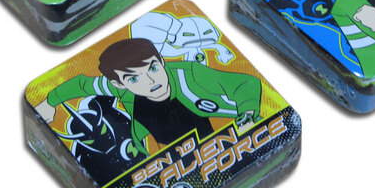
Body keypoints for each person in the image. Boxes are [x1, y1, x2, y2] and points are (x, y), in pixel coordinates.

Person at [35, 38, 262, 155]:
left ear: (161, 61)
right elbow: (81, 84)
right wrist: (48, 103)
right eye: (134, 78)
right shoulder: (120, 89)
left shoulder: (190, 75)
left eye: (153, 68)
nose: (152, 81)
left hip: (226, 142)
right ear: (119, 83)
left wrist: (248, 113)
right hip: (170, 158)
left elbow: (245, 83)